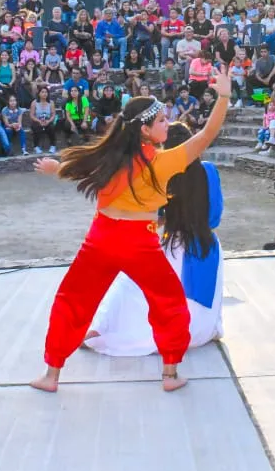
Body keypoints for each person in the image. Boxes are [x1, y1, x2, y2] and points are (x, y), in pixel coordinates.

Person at [28, 65, 232, 393]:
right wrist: (224, 96)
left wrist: (57, 169)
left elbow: (79, 171)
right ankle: (169, 375)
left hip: (101, 239)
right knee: (168, 302)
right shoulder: (166, 161)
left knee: (73, 300)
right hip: (139, 242)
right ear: (145, 131)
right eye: (162, 120)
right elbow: (207, 134)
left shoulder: (111, 157)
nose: (169, 123)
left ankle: (51, 375)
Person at [84, 123, 224, 356]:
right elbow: (215, 216)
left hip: (175, 245)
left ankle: (100, 329)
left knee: (128, 282)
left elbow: (154, 216)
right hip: (206, 247)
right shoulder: (209, 171)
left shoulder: (162, 174)